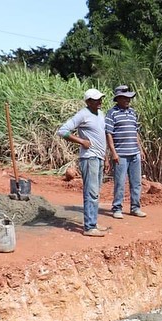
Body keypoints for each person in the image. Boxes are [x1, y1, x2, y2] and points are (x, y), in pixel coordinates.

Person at [58, 88, 109, 237]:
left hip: (99, 157)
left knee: (96, 192)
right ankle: (89, 226)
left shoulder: (100, 114)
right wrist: (81, 141)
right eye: (96, 99)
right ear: (88, 102)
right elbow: (63, 131)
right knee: (91, 192)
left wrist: (105, 157)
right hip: (89, 157)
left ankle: (93, 221)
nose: (100, 101)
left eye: (100, 98)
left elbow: (102, 136)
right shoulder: (83, 114)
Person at [105, 85, 147, 219]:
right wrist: (113, 152)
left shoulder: (133, 112)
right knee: (120, 182)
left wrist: (140, 149)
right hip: (121, 154)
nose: (128, 100)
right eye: (125, 98)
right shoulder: (112, 113)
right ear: (118, 99)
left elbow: (136, 133)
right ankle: (117, 208)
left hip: (134, 153)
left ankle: (135, 207)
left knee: (136, 182)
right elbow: (109, 134)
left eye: (129, 98)